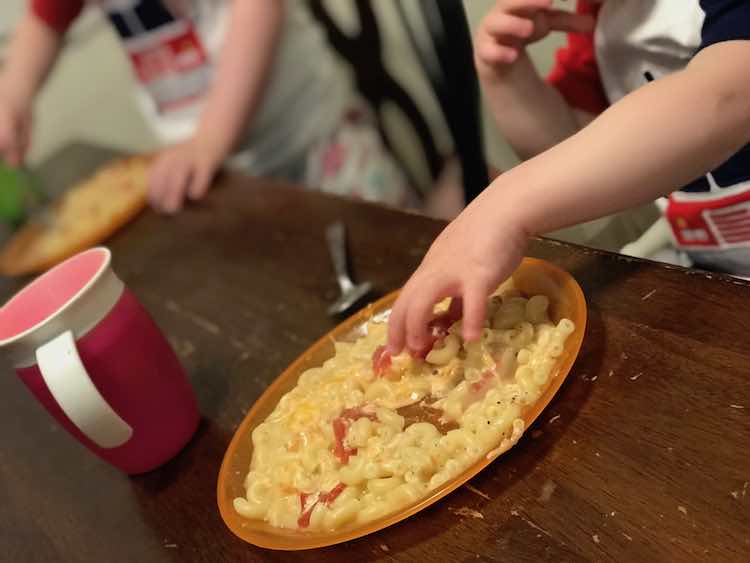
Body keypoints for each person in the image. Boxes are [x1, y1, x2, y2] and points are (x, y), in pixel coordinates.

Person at [387, 0, 750, 355]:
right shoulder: (602, 17)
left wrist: (507, 202)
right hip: (710, 269)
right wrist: (506, 75)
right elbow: (573, 149)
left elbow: (727, 97)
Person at [0, 0, 413, 214]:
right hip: (210, 169)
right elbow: (43, 22)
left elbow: (257, 8)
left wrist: (211, 137)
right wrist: (14, 91)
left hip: (311, 136)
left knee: (391, 246)